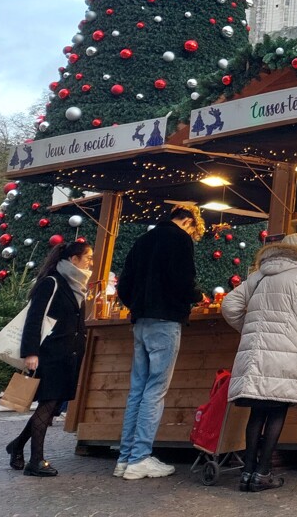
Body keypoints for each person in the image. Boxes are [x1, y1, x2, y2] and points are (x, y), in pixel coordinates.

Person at [221, 233, 297, 493]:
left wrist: (249, 328)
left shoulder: (258, 276)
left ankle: (247, 472)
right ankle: (263, 473)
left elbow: (229, 305)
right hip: (284, 350)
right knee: (277, 409)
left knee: (257, 411)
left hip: (255, 352)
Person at [114, 204, 204, 479]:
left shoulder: (143, 240)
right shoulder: (180, 240)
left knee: (137, 391)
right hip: (165, 321)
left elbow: (123, 285)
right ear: (188, 221)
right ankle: (140, 458)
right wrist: (197, 297)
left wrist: (137, 304)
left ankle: (125, 459)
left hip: (141, 321)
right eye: (194, 229)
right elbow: (183, 281)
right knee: (155, 391)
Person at [4, 240, 93, 477]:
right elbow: (34, 318)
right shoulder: (51, 283)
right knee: (47, 405)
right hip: (50, 355)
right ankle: (36, 461)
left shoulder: (78, 285)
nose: (90, 263)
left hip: (69, 356)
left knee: (51, 408)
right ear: (73, 259)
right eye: (87, 258)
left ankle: (17, 445)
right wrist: (31, 353)